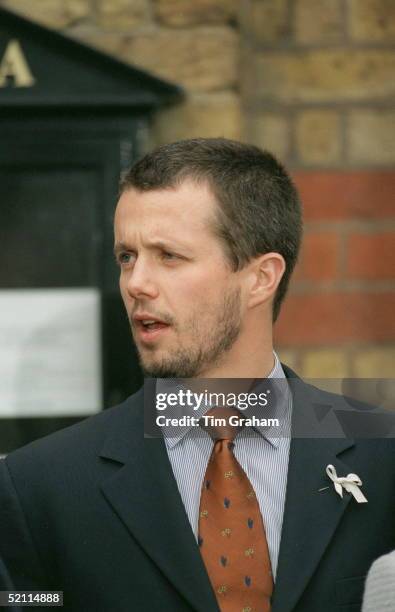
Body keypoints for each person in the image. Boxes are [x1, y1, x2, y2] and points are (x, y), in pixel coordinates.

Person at [0, 138, 393, 612]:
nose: (136, 283)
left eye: (169, 255)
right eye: (127, 256)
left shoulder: (382, 454)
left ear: (261, 278)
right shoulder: (40, 484)